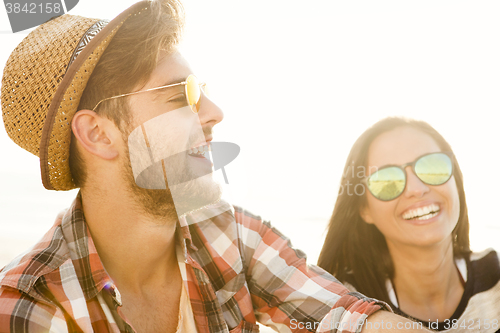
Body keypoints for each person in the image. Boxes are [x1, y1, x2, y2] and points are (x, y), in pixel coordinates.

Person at [0, 1, 433, 332]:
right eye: (180, 95)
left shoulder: (230, 235)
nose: (214, 112)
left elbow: (347, 318)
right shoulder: (26, 306)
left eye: (201, 90)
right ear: (98, 134)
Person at [318, 117, 500, 332]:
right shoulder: (340, 307)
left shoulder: (494, 278)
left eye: (433, 166)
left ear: (456, 181)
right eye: (386, 181)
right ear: (364, 209)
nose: (417, 188)